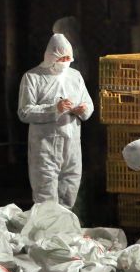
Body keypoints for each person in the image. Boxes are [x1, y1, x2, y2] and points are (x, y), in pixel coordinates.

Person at [17, 33, 93, 208]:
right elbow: (24, 112)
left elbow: (88, 103)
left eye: (68, 57)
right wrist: (54, 109)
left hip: (72, 143)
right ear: (52, 56)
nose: (66, 61)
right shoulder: (33, 77)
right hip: (45, 145)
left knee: (70, 185)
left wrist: (84, 109)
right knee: (45, 193)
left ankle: (64, 232)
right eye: (62, 57)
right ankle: (46, 232)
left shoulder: (75, 76)